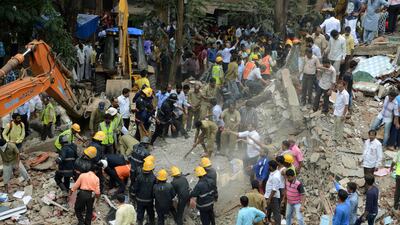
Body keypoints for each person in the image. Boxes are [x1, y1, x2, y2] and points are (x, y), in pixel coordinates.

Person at [134, 160, 156, 225]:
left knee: (140, 213)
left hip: (139, 199)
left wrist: (134, 195)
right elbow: (155, 190)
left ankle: (139, 223)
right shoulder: (153, 178)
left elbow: (136, 188)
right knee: (151, 213)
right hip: (149, 200)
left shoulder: (139, 177)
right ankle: (151, 223)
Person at [264, 160, 281, 225]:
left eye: (269, 166)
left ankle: (278, 223)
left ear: (271, 167)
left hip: (273, 197)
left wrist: (269, 198)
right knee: (268, 209)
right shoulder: (273, 173)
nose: (268, 167)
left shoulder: (275, 176)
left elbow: (274, 189)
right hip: (269, 196)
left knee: (276, 212)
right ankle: (268, 221)